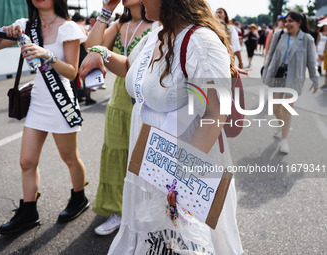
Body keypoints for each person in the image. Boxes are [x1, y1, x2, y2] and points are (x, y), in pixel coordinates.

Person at [80, 0, 243, 253]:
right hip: (151, 163)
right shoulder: (157, 32)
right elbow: (128, 68)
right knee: (154, 241)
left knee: (184, 242)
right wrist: (101, 53)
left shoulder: (200, 41)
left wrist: (181, 179)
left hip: (181, 167)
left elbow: (216, 111)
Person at [0, 0, 89, 235]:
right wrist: (6, 31)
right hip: (38, 102)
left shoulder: (68, 28)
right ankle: (28, 211)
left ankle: (78, 198)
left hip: (61, 101)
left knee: (70, 157)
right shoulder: (24, 25)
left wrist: (48, 54)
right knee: (26, 161)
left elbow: (72, 72)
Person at [82, 0, 154, 236]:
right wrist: (106, 10)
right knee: (115, 159)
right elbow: (91, 47)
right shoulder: (120, 23)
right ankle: (118, 211)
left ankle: (144, 212)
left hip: (145, 103)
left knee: (142, 161)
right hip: (117, 101)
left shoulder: (155, 25)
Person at [262, 10, 319, 154]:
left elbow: (312, 62)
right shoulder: (279, 34)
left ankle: (284, 140)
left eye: (290, 21)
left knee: (287, 109)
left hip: (294, 78)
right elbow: (270, 54)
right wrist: (266, 71)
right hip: (278, 75)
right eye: (285, 21)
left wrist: (315, 80)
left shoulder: (307, 39)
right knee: (275, 108)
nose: (287, 24)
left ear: (299, 22)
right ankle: (281, 124)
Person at [71, 12, 96, 105]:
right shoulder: (81, 27)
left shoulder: (69, 27)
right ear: (81, 20)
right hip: (82, 53)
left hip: (72, 54)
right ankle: (88, 98)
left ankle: (75, 98)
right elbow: (86, 41)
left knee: (73, 78)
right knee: (86, 77)